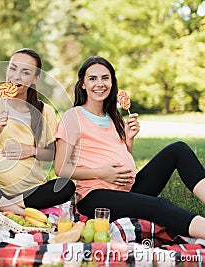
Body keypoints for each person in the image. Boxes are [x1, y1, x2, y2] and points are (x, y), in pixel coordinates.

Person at [55, 55, 205, 239]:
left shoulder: (114, 117)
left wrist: (129, 142)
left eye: (105, 78)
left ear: (112, 83)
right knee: (160, 206)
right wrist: (101, 173)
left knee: (178, 149)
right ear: (83, 85)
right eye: (92, 79)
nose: (99, 84)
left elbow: (125, 160)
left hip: (126, 191)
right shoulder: (73, 117)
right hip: (95, 197)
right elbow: (61, 168)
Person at [0, 48, 75, 215]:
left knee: (67, 186)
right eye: (13, 68)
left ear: (35, 78)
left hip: (30, 190)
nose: (16, 76)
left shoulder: (45, 111)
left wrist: (30, 150)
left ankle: (3, 205)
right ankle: (20, 210)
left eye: (25, 72)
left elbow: (51, 154)